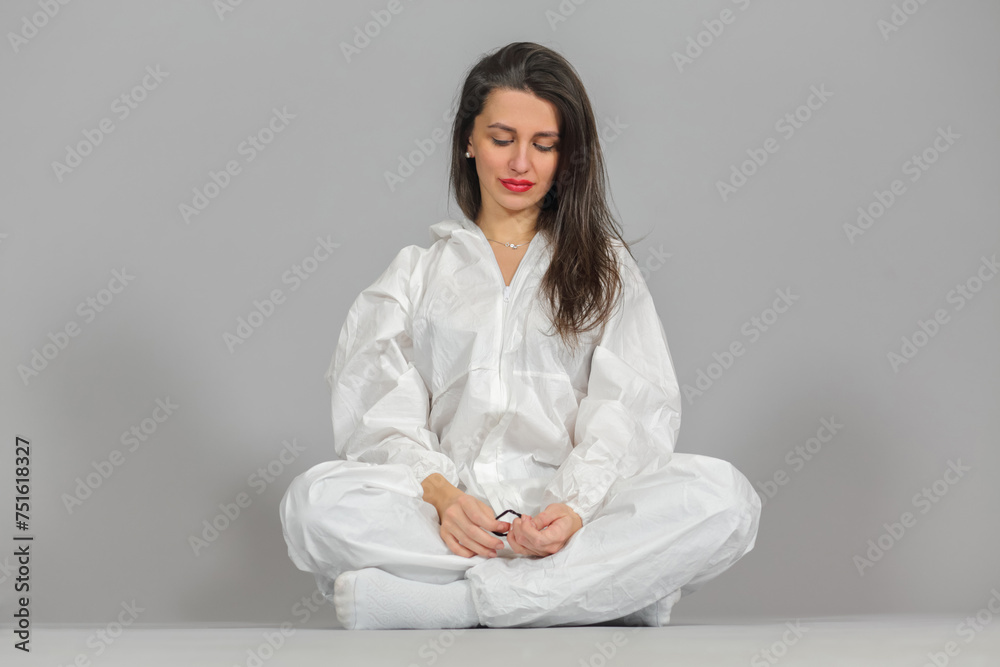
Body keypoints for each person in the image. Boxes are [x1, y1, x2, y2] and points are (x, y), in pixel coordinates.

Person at [279, 41, 760, 630]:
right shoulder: (417, 273)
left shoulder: (604, 268)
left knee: (723, 501)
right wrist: (445, 498)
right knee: (313, 504)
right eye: (502, 139)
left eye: (545, 145)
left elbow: (630, 409)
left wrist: (574, 508)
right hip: (451, 523)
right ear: (468, 141)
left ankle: (457, 605)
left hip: (573, 521)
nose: (520, 164)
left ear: (568, 157)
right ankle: (608, 594)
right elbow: (381, 416)